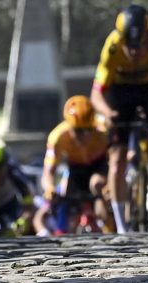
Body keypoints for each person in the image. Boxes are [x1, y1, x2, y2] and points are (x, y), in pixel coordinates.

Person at [90, 4, 148, 233]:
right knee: (117, 158)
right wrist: (108, 114)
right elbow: (97, 93)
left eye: (140, 46)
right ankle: (121, 225)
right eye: (129, 47)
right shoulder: (112, 47)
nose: (135, 52)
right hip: (122, 92)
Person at [41, 95, 111, 234]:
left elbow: (115, 162)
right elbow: (48, 172)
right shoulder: (58, 138)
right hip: (76, 168)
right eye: (78, 131)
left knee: (97, 184)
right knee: (65, 198)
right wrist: (49, 188)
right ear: (69, 126)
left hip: (100, 166)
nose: (84, 136)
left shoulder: (104, 131)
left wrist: (109, 187)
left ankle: (111, 229)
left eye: (88, 130)